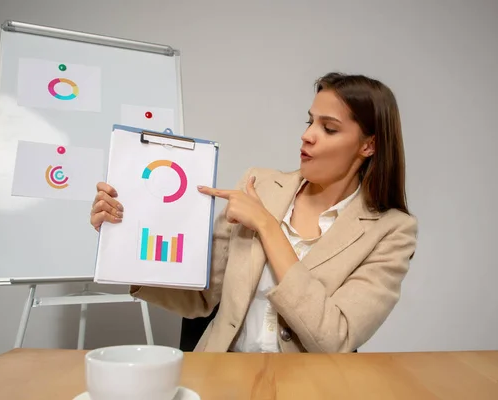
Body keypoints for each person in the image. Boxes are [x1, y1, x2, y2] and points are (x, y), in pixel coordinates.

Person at [90, 72, 418, 353]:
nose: (307, 135)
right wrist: (124, 235)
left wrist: (267, 225)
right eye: (310, 121)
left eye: (329, 128)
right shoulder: (258, 184)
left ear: (368, 145)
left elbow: (333, 338)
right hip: (220, 376)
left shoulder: (392, 230)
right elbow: (200, 297)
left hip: (312, 387)